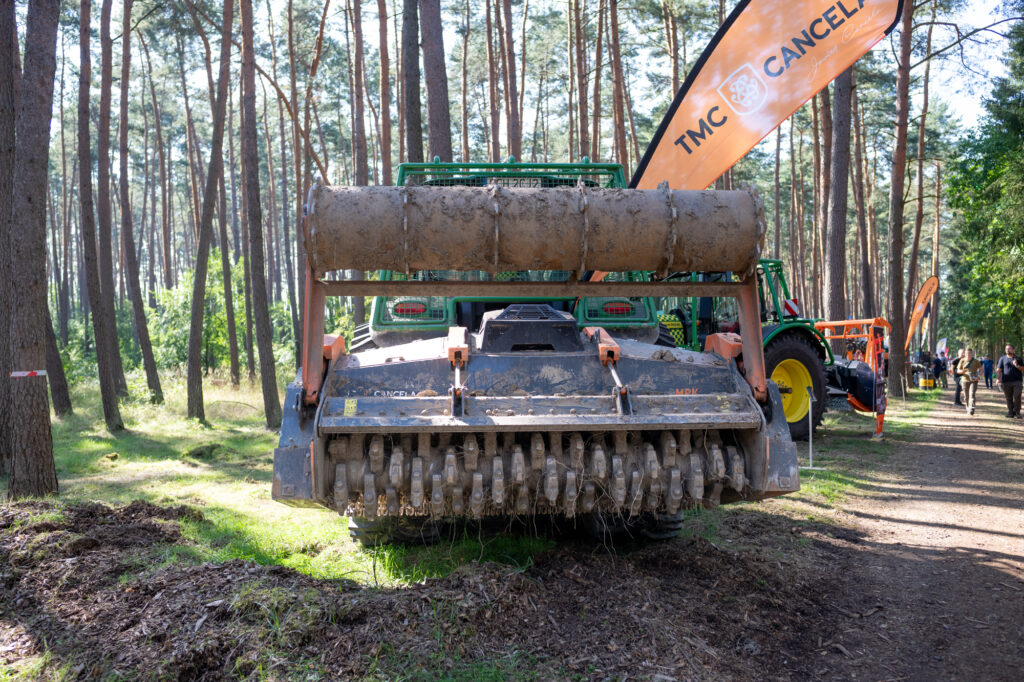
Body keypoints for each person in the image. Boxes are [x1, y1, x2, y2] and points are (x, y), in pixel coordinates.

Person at [995, 344, 1023, 418]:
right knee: (1008, 397)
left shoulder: (1018, 358)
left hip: (1017, 381)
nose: (1007, 350)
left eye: (1009, 348)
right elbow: (999, 369)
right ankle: (1010, 412)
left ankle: (1017, 412)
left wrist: (1016, 365)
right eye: (1006, 348)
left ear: (1013, 350)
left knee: (1017, 396)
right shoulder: (1002, 358)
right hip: (1006, 381)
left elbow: (1023, 369)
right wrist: (998, 379)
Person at [956, 348, 983, 415]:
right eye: (967, 353)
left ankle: (972, 409)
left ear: (972, 354)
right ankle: (968, 407)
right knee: (966, 396)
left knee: (972, 394)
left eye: (969, 353)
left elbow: (982, 370)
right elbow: (958, 371)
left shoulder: (976, 361)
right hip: (964, 380)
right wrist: (963, 371)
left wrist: (978, 377)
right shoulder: (962, 361)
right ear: (965, 354)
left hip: (973, 380)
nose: (968, 354)